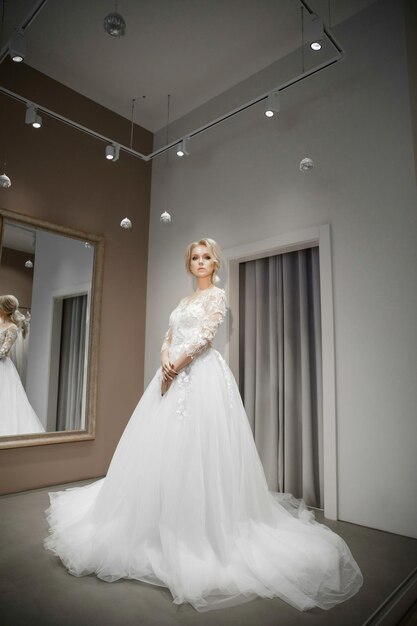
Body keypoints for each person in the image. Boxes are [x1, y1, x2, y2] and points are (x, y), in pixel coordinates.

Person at [44, 238, 363, 612]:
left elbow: (205, 338)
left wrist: (174, 368)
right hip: (169, 375)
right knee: (162, 451)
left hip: (201, 377)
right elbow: (169, 337)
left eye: (206, 257)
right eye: (194, 258)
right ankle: (155, 524)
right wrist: (164, 360)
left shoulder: (217, 296)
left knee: (200, 449)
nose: (200, 262)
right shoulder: (182, 303)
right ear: (189, 264)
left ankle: (203, 531)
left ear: (215, 262)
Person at [0, 294, 45, 435]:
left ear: (5, 309)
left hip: (2, 367)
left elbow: (4, 350)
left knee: (5, 400)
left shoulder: (12, 327)